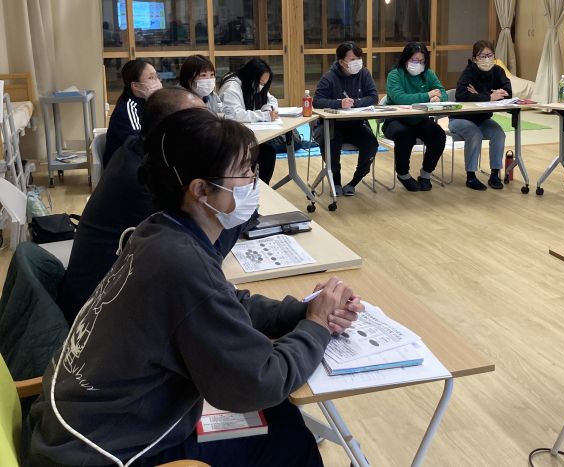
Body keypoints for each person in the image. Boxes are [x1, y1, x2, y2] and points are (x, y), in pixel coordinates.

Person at [27, 108, 364, 467]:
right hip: (103, 453)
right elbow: (260, 381)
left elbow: (224, 301)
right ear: (201, 190)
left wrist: (303, 310)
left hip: (70, 429)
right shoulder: (180, 261)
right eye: (245, 173)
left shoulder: (159, 230)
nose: (254, 182)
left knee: (280, 416)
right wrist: (316, 326)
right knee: (288, 438)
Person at [58, 87, 250, 324]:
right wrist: (238, 210)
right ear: (172, 131)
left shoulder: (138, 151)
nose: (209, 127)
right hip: (97, 313)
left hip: (101, 298)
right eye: (199, 122)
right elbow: (204, 251)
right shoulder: (145, 183)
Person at [312, 41, 379, 196]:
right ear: (342, 62)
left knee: (371, 144)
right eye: (352, 59)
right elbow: (317, 101)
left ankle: (354, 181)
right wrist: (339, 103)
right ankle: (335, 181)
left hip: (356, 124)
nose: (357, 62)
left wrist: (355, 102)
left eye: (359, 59)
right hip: (332, 125)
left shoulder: (364, 73)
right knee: (331, 145)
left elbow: (373, 97)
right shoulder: (329, 77)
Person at [449, 40, 512, 191]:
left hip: (482, 119)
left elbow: (507, 93)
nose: (487, 59)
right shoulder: (469, 72)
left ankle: (495, 174)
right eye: (482, 56)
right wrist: (489, 96)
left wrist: (479, 94)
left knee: (499, 134)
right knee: (474, 134)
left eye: (490, 55)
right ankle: (471, 176)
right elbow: (461, 95)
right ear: (475, 58)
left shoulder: (498, 71)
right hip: (460, 118)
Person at [384, 42, 447, 192]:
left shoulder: (428, 73)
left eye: (421, 61)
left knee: (438, 135)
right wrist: (427, 95)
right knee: (405, 135)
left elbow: (442, 92)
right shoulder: (395, 74)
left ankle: (426, 174)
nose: (418, 64)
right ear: (405, 59)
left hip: (420, 119)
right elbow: (400, 98)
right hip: (396, 119)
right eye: (414, 60)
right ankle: (403, 174)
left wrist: (438, 98)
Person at [219, 58, 279, 184]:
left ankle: (261, 187)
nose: (261, 87)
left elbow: (272, 99)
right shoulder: (232, 87)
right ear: (251, 76)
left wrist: (269, 108)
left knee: (269, 152)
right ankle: (252, 187)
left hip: (249, 134)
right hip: (232, 138)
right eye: (260, 82)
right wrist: (264, 115)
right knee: (264, 154)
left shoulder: (253, 85)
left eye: (264, 84)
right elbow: (235, 115)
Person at [104, 59, 161, 167]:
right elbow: (138, 145)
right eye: (151, 78)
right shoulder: (127, 109)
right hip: (123, 169)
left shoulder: (150, 104)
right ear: (135, 86)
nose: (157, 82)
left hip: (140, 162)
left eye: (157, 77)